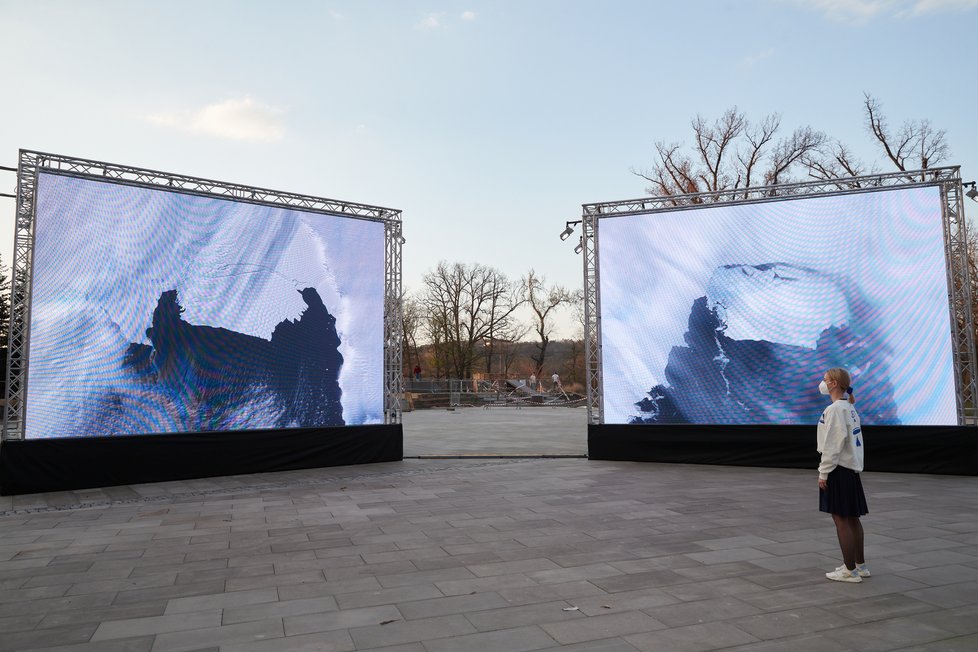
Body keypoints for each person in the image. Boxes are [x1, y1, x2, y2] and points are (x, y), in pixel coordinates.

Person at [817, 367, 869, 583]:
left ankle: (849, 571)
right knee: (853, 519)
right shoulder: (849, 407)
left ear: (834, 383)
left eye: (825, 379)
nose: (822, 382)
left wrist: (823, 472)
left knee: (841, 520)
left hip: (838, 470)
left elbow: (832, 445)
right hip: (850, 470)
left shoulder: (836, 409)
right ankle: (859, 565)